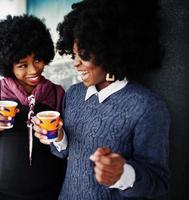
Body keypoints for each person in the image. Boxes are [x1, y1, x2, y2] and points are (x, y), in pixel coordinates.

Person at [33, 0, 170, 199]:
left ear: (110, 51)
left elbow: (159, 182)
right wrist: (57, 136)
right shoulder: (73, 94)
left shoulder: (147, 106)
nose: (76, 64)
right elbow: (63, 153)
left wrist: (123, 174)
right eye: (73, 55)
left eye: (84, 55)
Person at [0, 15, 66, 200]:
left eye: (38, 59)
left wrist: (58, 135)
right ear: (8, 65)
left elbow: (64, 147)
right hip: (3, 192)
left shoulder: (57, 93)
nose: (33, 70)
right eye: (22, 65)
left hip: (49, 190)